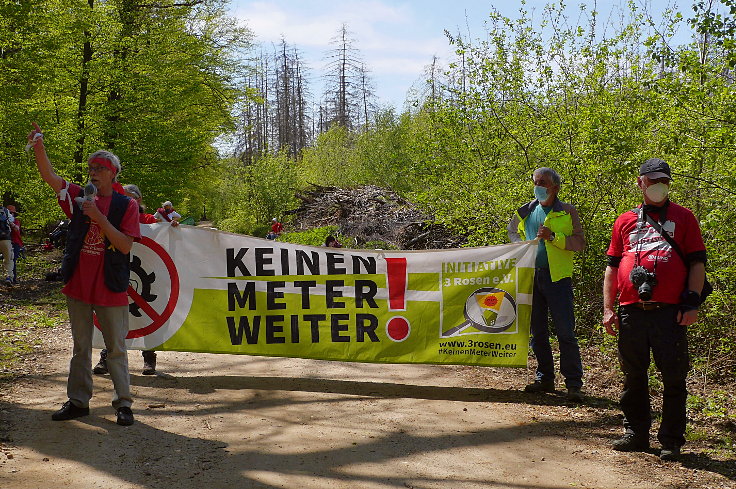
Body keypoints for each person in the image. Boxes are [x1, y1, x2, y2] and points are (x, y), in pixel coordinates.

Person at [28, 122, 140, 426]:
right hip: (79, 285)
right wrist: (39, 144)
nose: (94, 171)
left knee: (115, 349)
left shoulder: (125, 204)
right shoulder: (78, 197)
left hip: (110, 286)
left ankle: (123, 404)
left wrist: (100, 217)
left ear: (113, 173)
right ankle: (78, 402)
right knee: (80, 347)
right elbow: (50, 177)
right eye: (91, 167)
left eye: (100, 167)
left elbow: (125, 245)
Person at [603, 158, 706, 461]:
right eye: (652, 180)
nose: (658, 185)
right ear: (640, 183)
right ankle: (635, 433)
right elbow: (611, 268)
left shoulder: (685, 218)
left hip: (670, 311)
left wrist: (692, 303)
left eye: (663, 180)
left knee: (674, 376)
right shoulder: (624, 220)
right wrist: (608, 309)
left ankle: (671, 440)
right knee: (633, 374)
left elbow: (697, 263)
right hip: (631, 310)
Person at [508, 167, 586, 402]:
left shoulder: (567, 211)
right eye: (535, 182)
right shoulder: (525, 210)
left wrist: (554, 237)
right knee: (537, 332)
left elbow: (580, 243)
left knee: (565, 332)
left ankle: (573, 383)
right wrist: (521, 245)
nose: (538, 186)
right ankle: (545, 378)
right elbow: (512, 231)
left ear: (555, 187)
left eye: (543, 182)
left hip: (558, 278)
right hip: (531, 276)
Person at [93, 184, 159, 376]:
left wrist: (171, 227)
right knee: (113, 318)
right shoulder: (113, 217)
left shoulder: (148, 220)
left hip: (145, 275)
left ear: (138, 200)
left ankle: (149, 357)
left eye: (129, 196)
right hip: (116, 272)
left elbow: (163, 230)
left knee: (145, 316)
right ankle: (106, 357)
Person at [7, 205, 24, 284]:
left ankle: (13, 278)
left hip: (16, 242)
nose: (11, 214)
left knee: (12, 260)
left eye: (12, 213)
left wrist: (11, 223)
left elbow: (17, 228)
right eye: (9, 213)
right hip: (7, 242)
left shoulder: (16, 221)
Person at [0, 203, 15, 287]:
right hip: (5, 238)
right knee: (8, 259)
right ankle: (8, 277)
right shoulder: (5, 211)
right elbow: (11, 221)